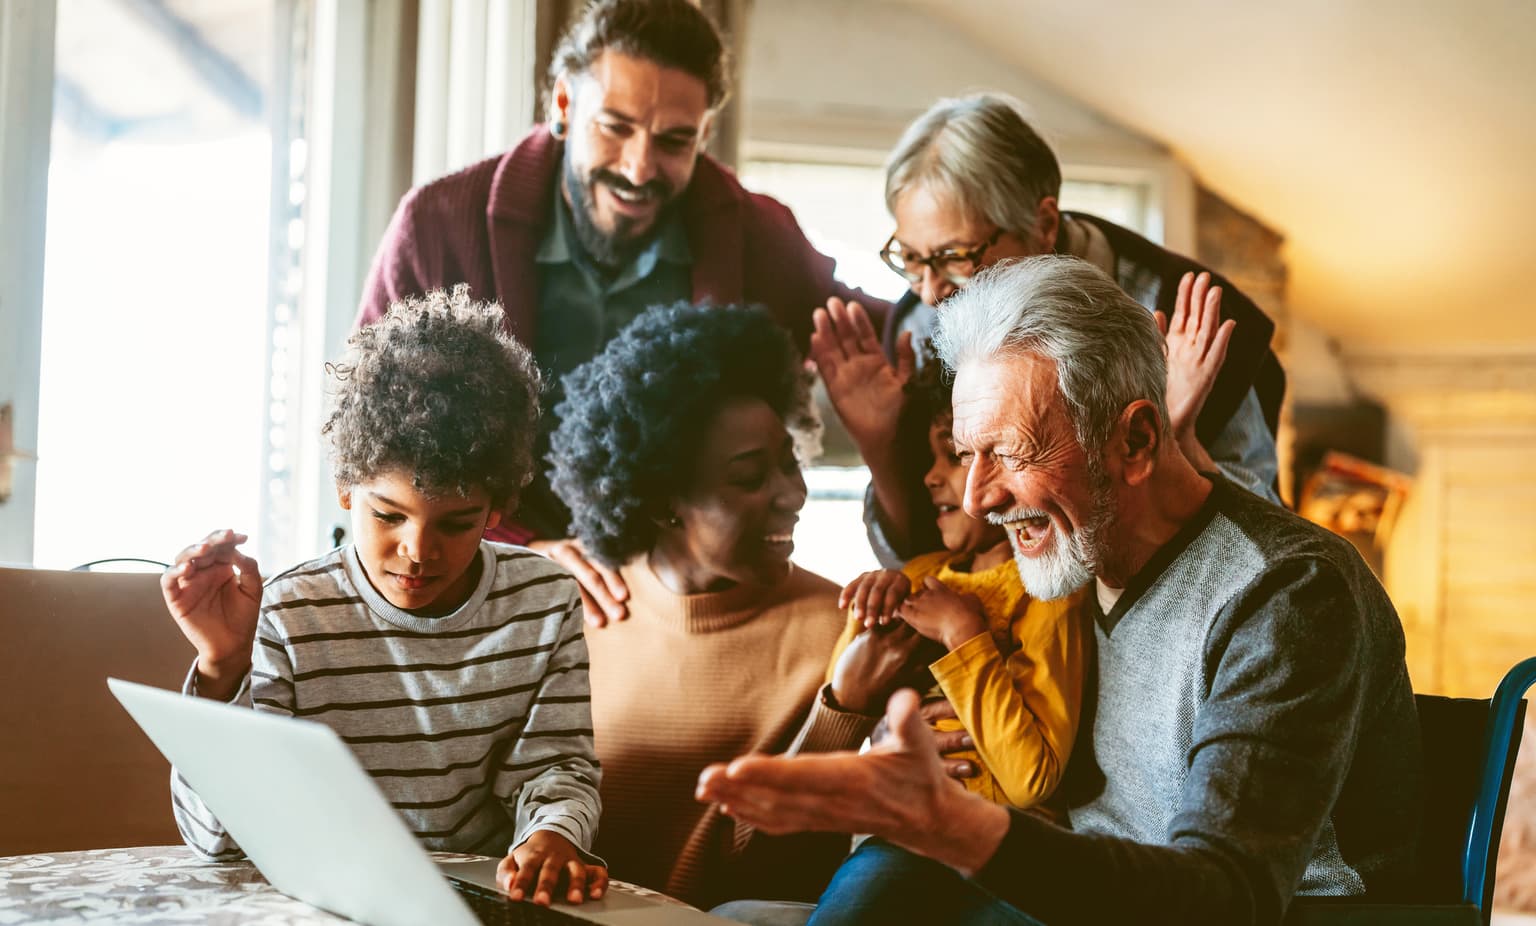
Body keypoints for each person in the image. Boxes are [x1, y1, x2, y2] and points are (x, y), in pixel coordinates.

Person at [699, 257, 1421, 926]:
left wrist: (957, 825)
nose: (979, 500)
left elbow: (1226, 897)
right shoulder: (1080, 558)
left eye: (1008, 454)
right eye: (967, 456)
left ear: (1135, 443)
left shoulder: (1287, 592)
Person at [358, 0, 888, 625]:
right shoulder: (439, 225)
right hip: (483, 586)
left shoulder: (756, 232)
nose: (640, 168)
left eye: (673, 141)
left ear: (705, 134)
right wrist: (522, 557)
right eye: (614, 127)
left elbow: (885, 336)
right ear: (562, 106)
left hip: (677, 600)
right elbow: (378, 440)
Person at [162, 289, 605, 908]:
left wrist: (552, 835)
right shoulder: (289, 612)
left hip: (472, 900)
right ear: (346, 487)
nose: (419, 551)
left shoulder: (543, 601)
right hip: (319, 903)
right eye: (389, 515)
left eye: (456, 523)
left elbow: (555, 768)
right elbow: (215, 839)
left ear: (497, 509)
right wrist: (222, 667)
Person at [807, 92, 1284, 568]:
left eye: (955, 257)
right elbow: (930, 545)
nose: (930, 292)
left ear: (1045, 223)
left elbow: (1263, 539)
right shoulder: (922, 322)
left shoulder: (1186, 314)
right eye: (910, 258)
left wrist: (1175, 445)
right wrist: (884, 447)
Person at [546, 302, 862, 910]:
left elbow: (781, 889)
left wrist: (846, 710)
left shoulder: (841, 630)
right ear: (665, 500)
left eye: (789, 461)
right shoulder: (576, 604)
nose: (793, 494)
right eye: (749, 478)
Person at [827, 353, 1089, 810]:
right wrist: (868, 611)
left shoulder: (1048, 588)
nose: (930, 477)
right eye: (929, 460)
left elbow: (1031, 781)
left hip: (998, 843)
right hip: (896, 823)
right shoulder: (916, 575)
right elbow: (849, 705)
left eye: (954, 456)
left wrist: (964, 635)